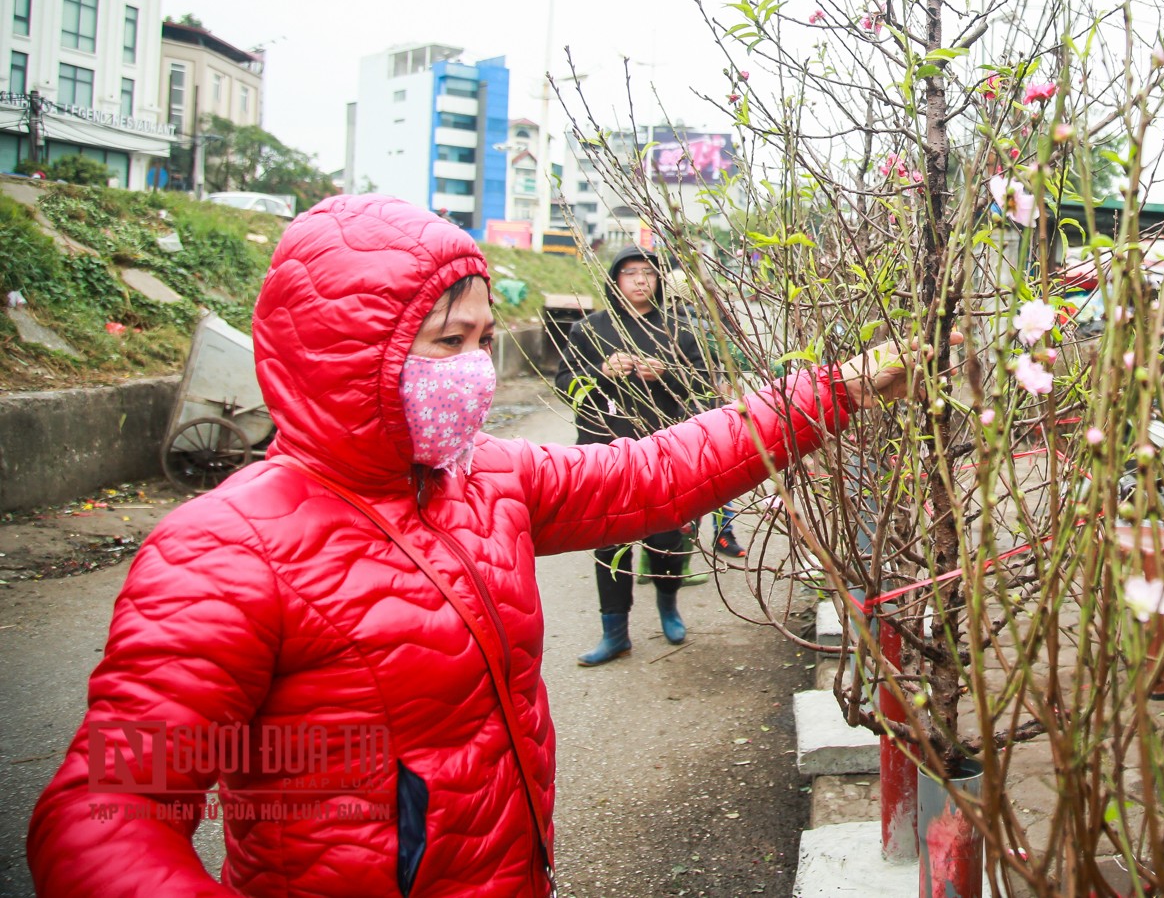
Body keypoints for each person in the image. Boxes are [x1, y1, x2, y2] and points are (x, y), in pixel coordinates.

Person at [26, 195, 935, 898]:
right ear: (347, 354)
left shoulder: (484, 478)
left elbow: (658, 471)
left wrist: (837, 388)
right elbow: (107, 816)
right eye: (445, 341)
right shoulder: (223, 551)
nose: (475, 367)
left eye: (486, 340)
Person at [560, 245, 711, 656]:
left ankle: (669, 607)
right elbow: (563, 383)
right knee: (609, 542)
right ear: (615, 280)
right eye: (630, 272)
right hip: (604, 451)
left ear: (659, 280)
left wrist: (667, 374)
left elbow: (705, 389)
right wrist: (601, 372)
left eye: (648, 272)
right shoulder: (588, 330)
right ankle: (615, 631)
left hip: (664, 451)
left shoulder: (680, 331)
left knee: (667, 537)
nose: (640, 279)